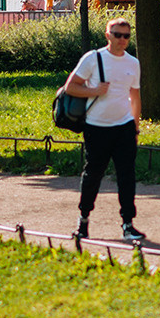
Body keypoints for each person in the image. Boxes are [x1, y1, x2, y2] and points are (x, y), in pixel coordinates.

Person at [64, 16, 145, 242]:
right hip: (96, 127)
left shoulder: (133, 63)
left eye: (126, 36)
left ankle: (128, 224)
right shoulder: (93, 58)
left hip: (124, 128)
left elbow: (135, 97)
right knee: (93, 174)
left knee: (127, 176)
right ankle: (83, 220)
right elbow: (71, 87)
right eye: (117, 35)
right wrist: (94, 91)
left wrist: (135, 127)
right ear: (107, 35)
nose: (122, 39)